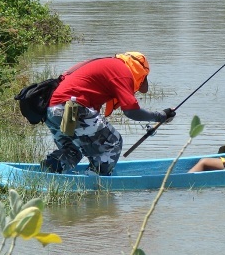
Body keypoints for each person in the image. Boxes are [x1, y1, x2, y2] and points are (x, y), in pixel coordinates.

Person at [41, 52, 175, 176]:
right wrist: (160, 116)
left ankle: (47, 172)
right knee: (113, 143)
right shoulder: (123, 71)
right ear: (140, 73)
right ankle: (94, 184)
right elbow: (131, 111)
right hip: (72, 108)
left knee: (73, 149)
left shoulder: (110, 65)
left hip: (52, 110)